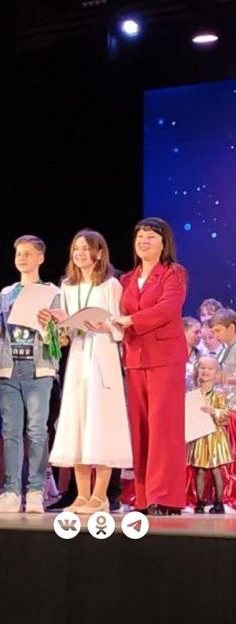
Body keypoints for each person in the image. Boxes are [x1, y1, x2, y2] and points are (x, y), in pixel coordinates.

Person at [47, 230, 132, 514]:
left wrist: (107, 325)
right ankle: (82, 495)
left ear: (99, 253)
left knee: (101, 423)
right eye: (76, 249)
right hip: (79, 357)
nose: (80, 253)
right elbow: (67, 331)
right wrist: (61, 322)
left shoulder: (111, 284)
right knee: (78, 422)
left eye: (85, 248)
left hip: (103, 355)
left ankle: (100, 495)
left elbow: (121, 324)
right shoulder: (67, 286)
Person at [0, 235, 60, 514]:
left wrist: (48, 326)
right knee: (10, 431)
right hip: (9, 367)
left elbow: (61, 336)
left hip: (39, 368)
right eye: (19, 254)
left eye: (28, 253)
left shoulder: (51, 292)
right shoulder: (7, 293)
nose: (23, 258)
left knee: (37, 430)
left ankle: (36, 491)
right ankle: (11, 492)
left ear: (41, 258)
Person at [115, 217, 187, 516]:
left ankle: (167, 497)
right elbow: (116, 314)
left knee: (164, 428)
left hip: (165, 358)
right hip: (135, 358)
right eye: (140, 236)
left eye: (151, 236)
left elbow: (167, 309)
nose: (144, 241)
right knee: (141, 429)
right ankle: (144, 497)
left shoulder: (173, 273)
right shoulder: (126, 279)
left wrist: (131, 320)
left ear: (163, 242)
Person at [187, 356, 232, 514]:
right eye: (202, 367)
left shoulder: (219, 395)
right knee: (199, 469)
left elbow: (226, 414)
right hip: (199, 436)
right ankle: (199, 501)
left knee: (215, 469)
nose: (205, 371)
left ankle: (219, 502)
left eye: (210, 368)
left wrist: (213, 411)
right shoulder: (193, 394)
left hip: (214, 437)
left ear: (217, 373)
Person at [183, 317, 203, 390]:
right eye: (196, 332)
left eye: (200, 332)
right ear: (183, 333)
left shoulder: (202, 356)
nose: (200, 335)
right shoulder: (170, 356)